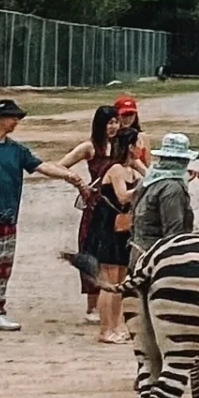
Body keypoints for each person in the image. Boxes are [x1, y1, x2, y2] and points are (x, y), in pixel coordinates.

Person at [0, 97, 83, 332]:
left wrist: (67, 175)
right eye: (13, 117)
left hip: (7, 218)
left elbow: (42, 166)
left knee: (2, 268)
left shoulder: (16, 150)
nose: (16, 122)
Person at [59, 104, 121, 320]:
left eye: (116, 122)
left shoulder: (122, 146)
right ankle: (92, 305)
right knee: (91, 251)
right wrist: (80, 184)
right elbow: (61, 166)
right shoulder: (90, 147)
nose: (113, 126)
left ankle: (113, 302)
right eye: (109, 122)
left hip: (118, 208)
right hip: (95, 208)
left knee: (115, 255)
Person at [83, 130, 142, 342]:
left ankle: (116, 326)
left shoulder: (132, 168)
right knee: (108, 281)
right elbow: (122, 196)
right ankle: (105, 329)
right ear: (130, 146)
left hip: (124, 229)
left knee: (120, 281)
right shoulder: (116, 169)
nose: (141, 148)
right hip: (108, 228)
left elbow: (152, 177)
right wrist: (142, 187)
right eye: (138, 144)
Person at [131, 133, 197, 262]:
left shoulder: (149, 179)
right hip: (155, 258)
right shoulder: (173, 188)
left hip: (139, 251)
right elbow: (173, 233)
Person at [112, 94, 152, 170]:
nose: (128, 118)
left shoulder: (143, 137)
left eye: (131, 114)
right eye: (124, 115)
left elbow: (147, 164)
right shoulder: (112, 137)